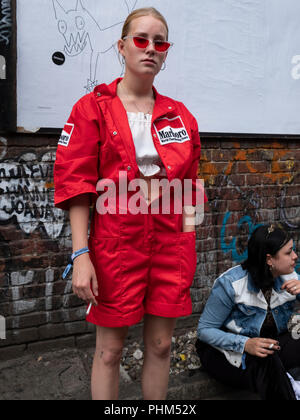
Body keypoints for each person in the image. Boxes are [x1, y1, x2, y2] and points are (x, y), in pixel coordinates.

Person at [54, 7, 206, 400]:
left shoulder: (180, 115)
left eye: (160, 42)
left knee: (160, 347)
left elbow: (190, 188)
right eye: (141, 40)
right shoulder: (93, 110)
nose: (150, 49)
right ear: (122, 46)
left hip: (171, 245)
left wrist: (188, 245)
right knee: (110, 351)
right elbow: (76, 185)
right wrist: (81, 254)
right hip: (117, 245)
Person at [196, 224, 300, 400]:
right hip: (225, 352)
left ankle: (290, 382)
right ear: (269, 260)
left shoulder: (289, 276)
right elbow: (204, 330)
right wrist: (245, 344)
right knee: (267, 358)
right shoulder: (231, 284)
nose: (295, 256)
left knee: (269, 351)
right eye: (289, 252)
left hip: (267, 343)